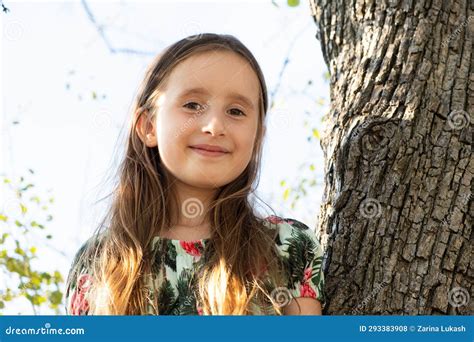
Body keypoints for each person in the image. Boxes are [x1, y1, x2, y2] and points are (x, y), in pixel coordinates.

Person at [64, 33, 325, 315]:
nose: (214, 126)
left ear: (257, 138)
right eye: (192, 105)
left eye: (236, 111)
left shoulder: (287, 245)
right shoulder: (98, 262)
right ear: (149, 126)